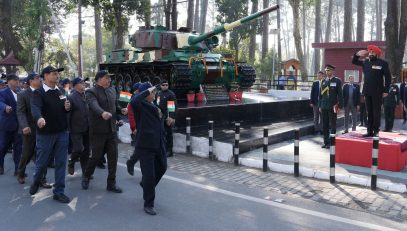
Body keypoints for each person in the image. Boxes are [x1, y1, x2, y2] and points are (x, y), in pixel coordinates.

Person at [30, 65, 71, 203]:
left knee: (61, 163)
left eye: (57, 74)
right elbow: (35, 108)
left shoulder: (60, 91)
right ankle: (37, 180)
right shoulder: (39, 92)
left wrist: (67, 108)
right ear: (45, 76)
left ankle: (59, 191)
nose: (56, 75)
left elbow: (63, 108)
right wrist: (39, 118)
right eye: (53, 73)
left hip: (62, 133)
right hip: (46, 134)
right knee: (42, 163)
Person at [81, 70, 127, 193]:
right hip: (98, 131)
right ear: (99, 79)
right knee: (96, 156)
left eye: (109, 78)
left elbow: (114, 105)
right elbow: (93, 105)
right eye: (107, 78)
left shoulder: (112, 90)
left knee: (113, 158)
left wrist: (120, 110)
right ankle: (86, 176)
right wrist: (102, 113)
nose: (109, 80)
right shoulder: (91, 92)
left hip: (111, 130)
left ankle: (111, 183)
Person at [131, 82, 167, 215]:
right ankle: (148, 203)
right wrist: (147, 90)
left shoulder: (154, 105)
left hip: (158, 143)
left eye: (154, 91)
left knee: (162, 167)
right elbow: (134, 100)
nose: (154, 93)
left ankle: (146, 185)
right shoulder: (140, 105)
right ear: (145, 94)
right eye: (152, 92)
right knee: (149, 175)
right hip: (146, 146)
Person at [16, 72, 52, 188]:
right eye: (37, 78)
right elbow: (21, 112)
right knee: (27, 153)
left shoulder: (44, 92)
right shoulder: (22, 94)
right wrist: (24, 125)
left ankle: (42, 179)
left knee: (42, 154)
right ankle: (20, 172)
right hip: (29, 129)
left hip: (43, 128)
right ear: (31, 81)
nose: (40, 80)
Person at [352, 45, 391, 137]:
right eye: (370, 52)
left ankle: (376, 130)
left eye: (373, 52)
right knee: (369, 112)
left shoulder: (383, 63)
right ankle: (369, 131)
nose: (371, 53)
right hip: (367, 91)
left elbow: (388, 78)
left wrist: (386, 90)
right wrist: (357, 54)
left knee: (376, 111)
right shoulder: (365, 62)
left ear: (377, 54)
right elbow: (354, 61)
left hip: (378, 91)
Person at [67, 77, 90, 176]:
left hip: (87, 127)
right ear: (75, 85)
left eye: (84, 83)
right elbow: (68, 114)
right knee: (78, 149)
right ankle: (71, 162)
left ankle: (85, 172)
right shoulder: (71, 97)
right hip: (75, 128)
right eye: (81, 83)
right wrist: (68, 128)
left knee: (86, 151)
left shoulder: (86, 95)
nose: (84, 84)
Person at [0, 74, 22, 175]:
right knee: (3, 147)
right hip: (7, 125)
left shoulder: (20, 92)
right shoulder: (3, 92)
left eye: (18, 80)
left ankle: (18, 169)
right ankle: (0, 165)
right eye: (15, 80)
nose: (17, 81)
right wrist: (5, 107)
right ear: (8, 82)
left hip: (19, 126)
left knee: (18, 148)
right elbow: (0, 102)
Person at [318, 64, 343, 149]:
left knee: (333, 125)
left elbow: (340, 94)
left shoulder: (337, 81)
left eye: (328, 70)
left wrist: (340, 106)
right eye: (326, 70)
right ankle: (326, 142)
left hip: (333, 106)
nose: (327, 72)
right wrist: (320, 106)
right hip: (324, 106)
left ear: (332, 71)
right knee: (325, 125)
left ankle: (332, 142)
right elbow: (320, 95)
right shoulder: (323, 81)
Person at [156, 80, 177, 157]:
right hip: (160, 117)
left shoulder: (170, 94)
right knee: (161, 134)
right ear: (160, 85)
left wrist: (171, 117)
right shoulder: (158, 93)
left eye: (166, 85)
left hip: (167, 117)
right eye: (163, 85)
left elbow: (173, 107)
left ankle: (169, 151)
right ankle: (163, 149)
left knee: (168, 134)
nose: (165, 86)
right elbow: (157, 104)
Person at [126, 82, 141, 176]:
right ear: (136, 91)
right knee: (141, 149)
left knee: (141, 150)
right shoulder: (133, 101)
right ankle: (131, 162)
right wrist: (134, 128)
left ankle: (131, 162)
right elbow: (131, 116)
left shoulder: (144, 98)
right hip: (138, 128)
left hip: (145, 127)